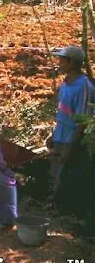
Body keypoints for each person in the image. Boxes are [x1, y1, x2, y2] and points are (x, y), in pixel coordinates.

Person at [48, 46, 94, 196]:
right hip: (60, 137)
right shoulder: (65, 83)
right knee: (54, 177)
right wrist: (54, 135)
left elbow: (83, 121)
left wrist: (69, 150)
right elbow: (63, 114)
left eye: (62, 60)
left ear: (71, 63)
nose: (59, 63)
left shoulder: (84, 86)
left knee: (67, 180)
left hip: (72, 141)